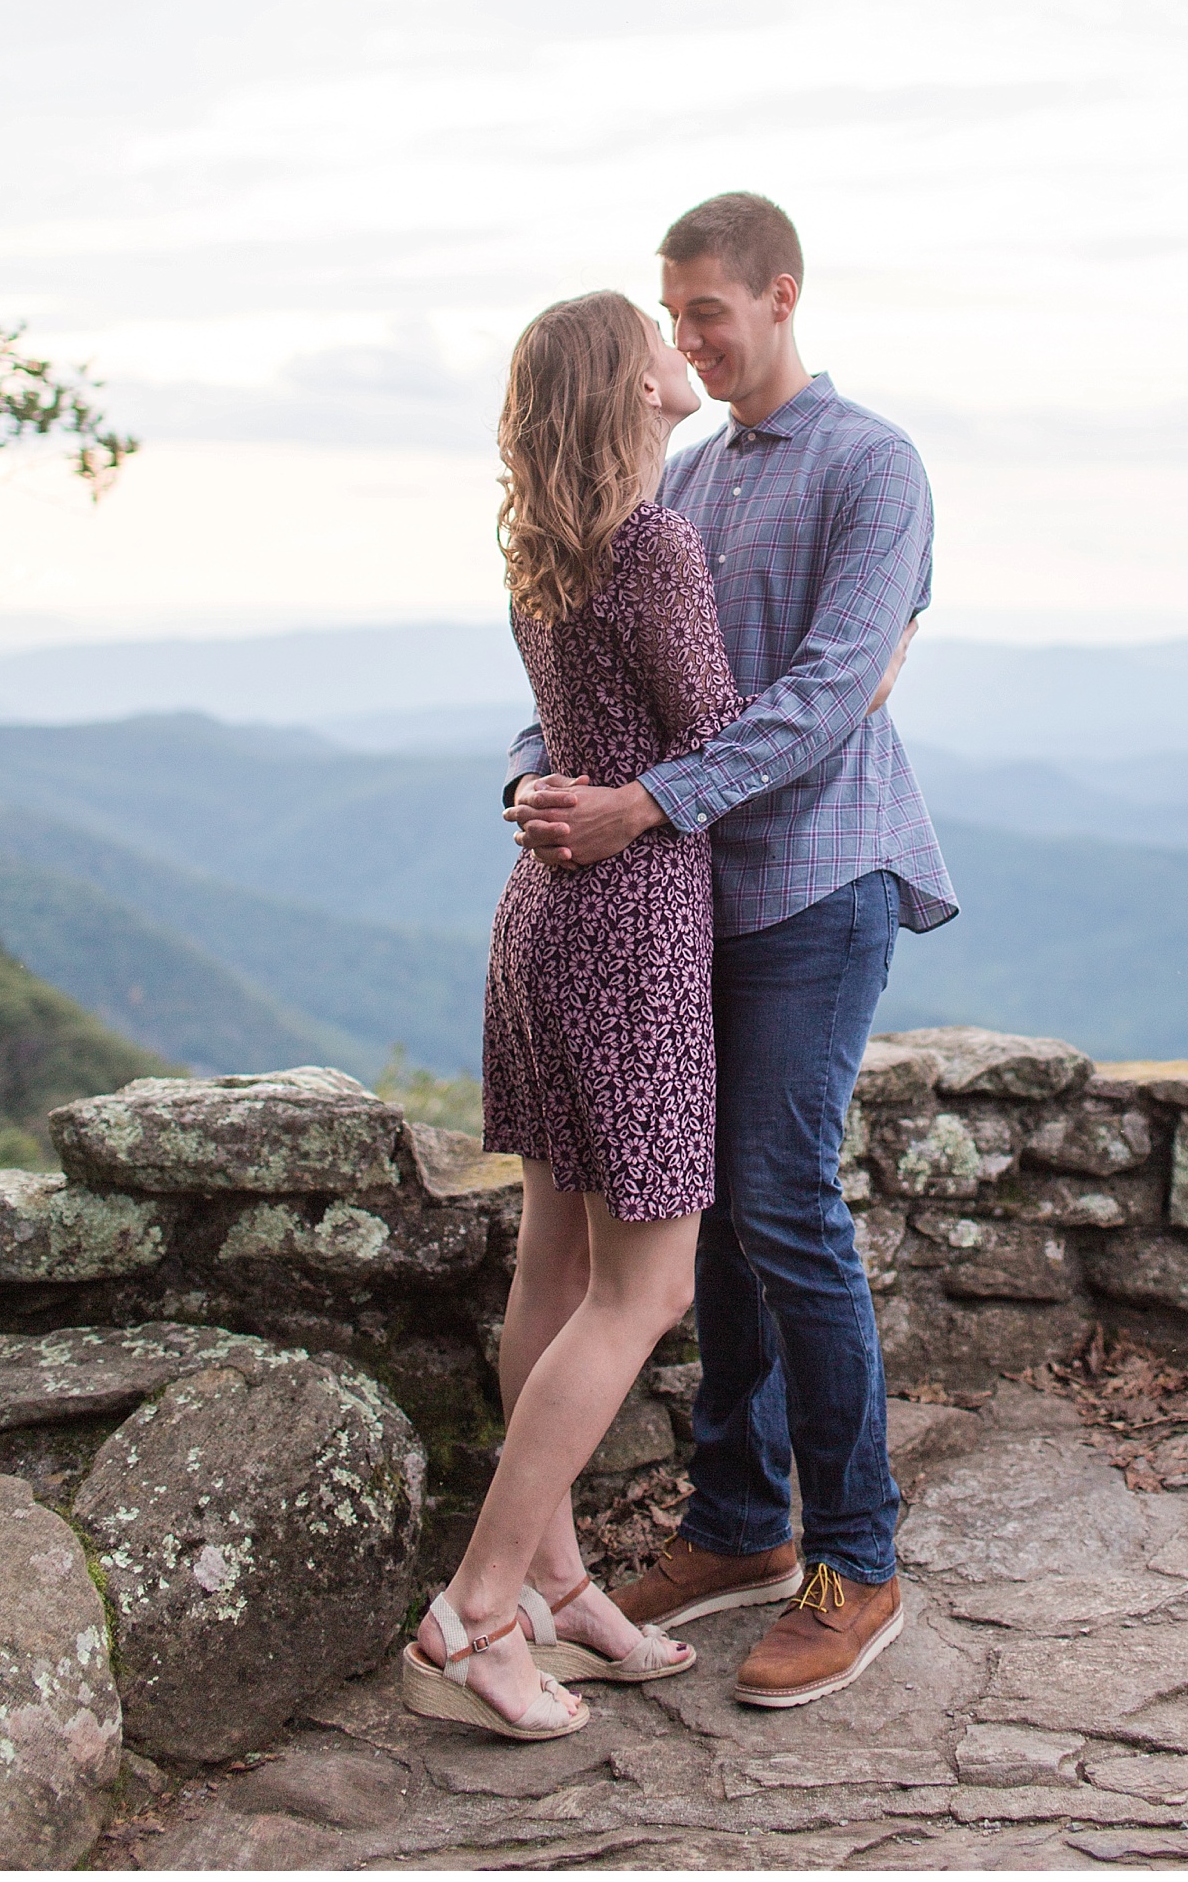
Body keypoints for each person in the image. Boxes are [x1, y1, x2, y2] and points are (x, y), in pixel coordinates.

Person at [508, 192, 956, 1710]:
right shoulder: (680, 479)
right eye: (670, 315)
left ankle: (857, 1557)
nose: (687, 337)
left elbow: (837, 686)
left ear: (779, 294)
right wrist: (540, 779)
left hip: (818, 885)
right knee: (711, 1221)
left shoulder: (871, 462)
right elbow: (604, 681)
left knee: (779, 1199)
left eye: (707, 310)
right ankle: (736, 1521)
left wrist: (645, 799)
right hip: (677, 901)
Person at [402, 289, 739, 1741]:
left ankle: (554, 1580)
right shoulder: (653, 542)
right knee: (645, 1288)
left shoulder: (545, 548)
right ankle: (478, 1608)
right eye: (656, 338)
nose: (681, 349)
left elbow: (589, 734)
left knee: (554, 1262)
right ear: (630, 387)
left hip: (540, 923)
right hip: (634, 929)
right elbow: (722, 734)